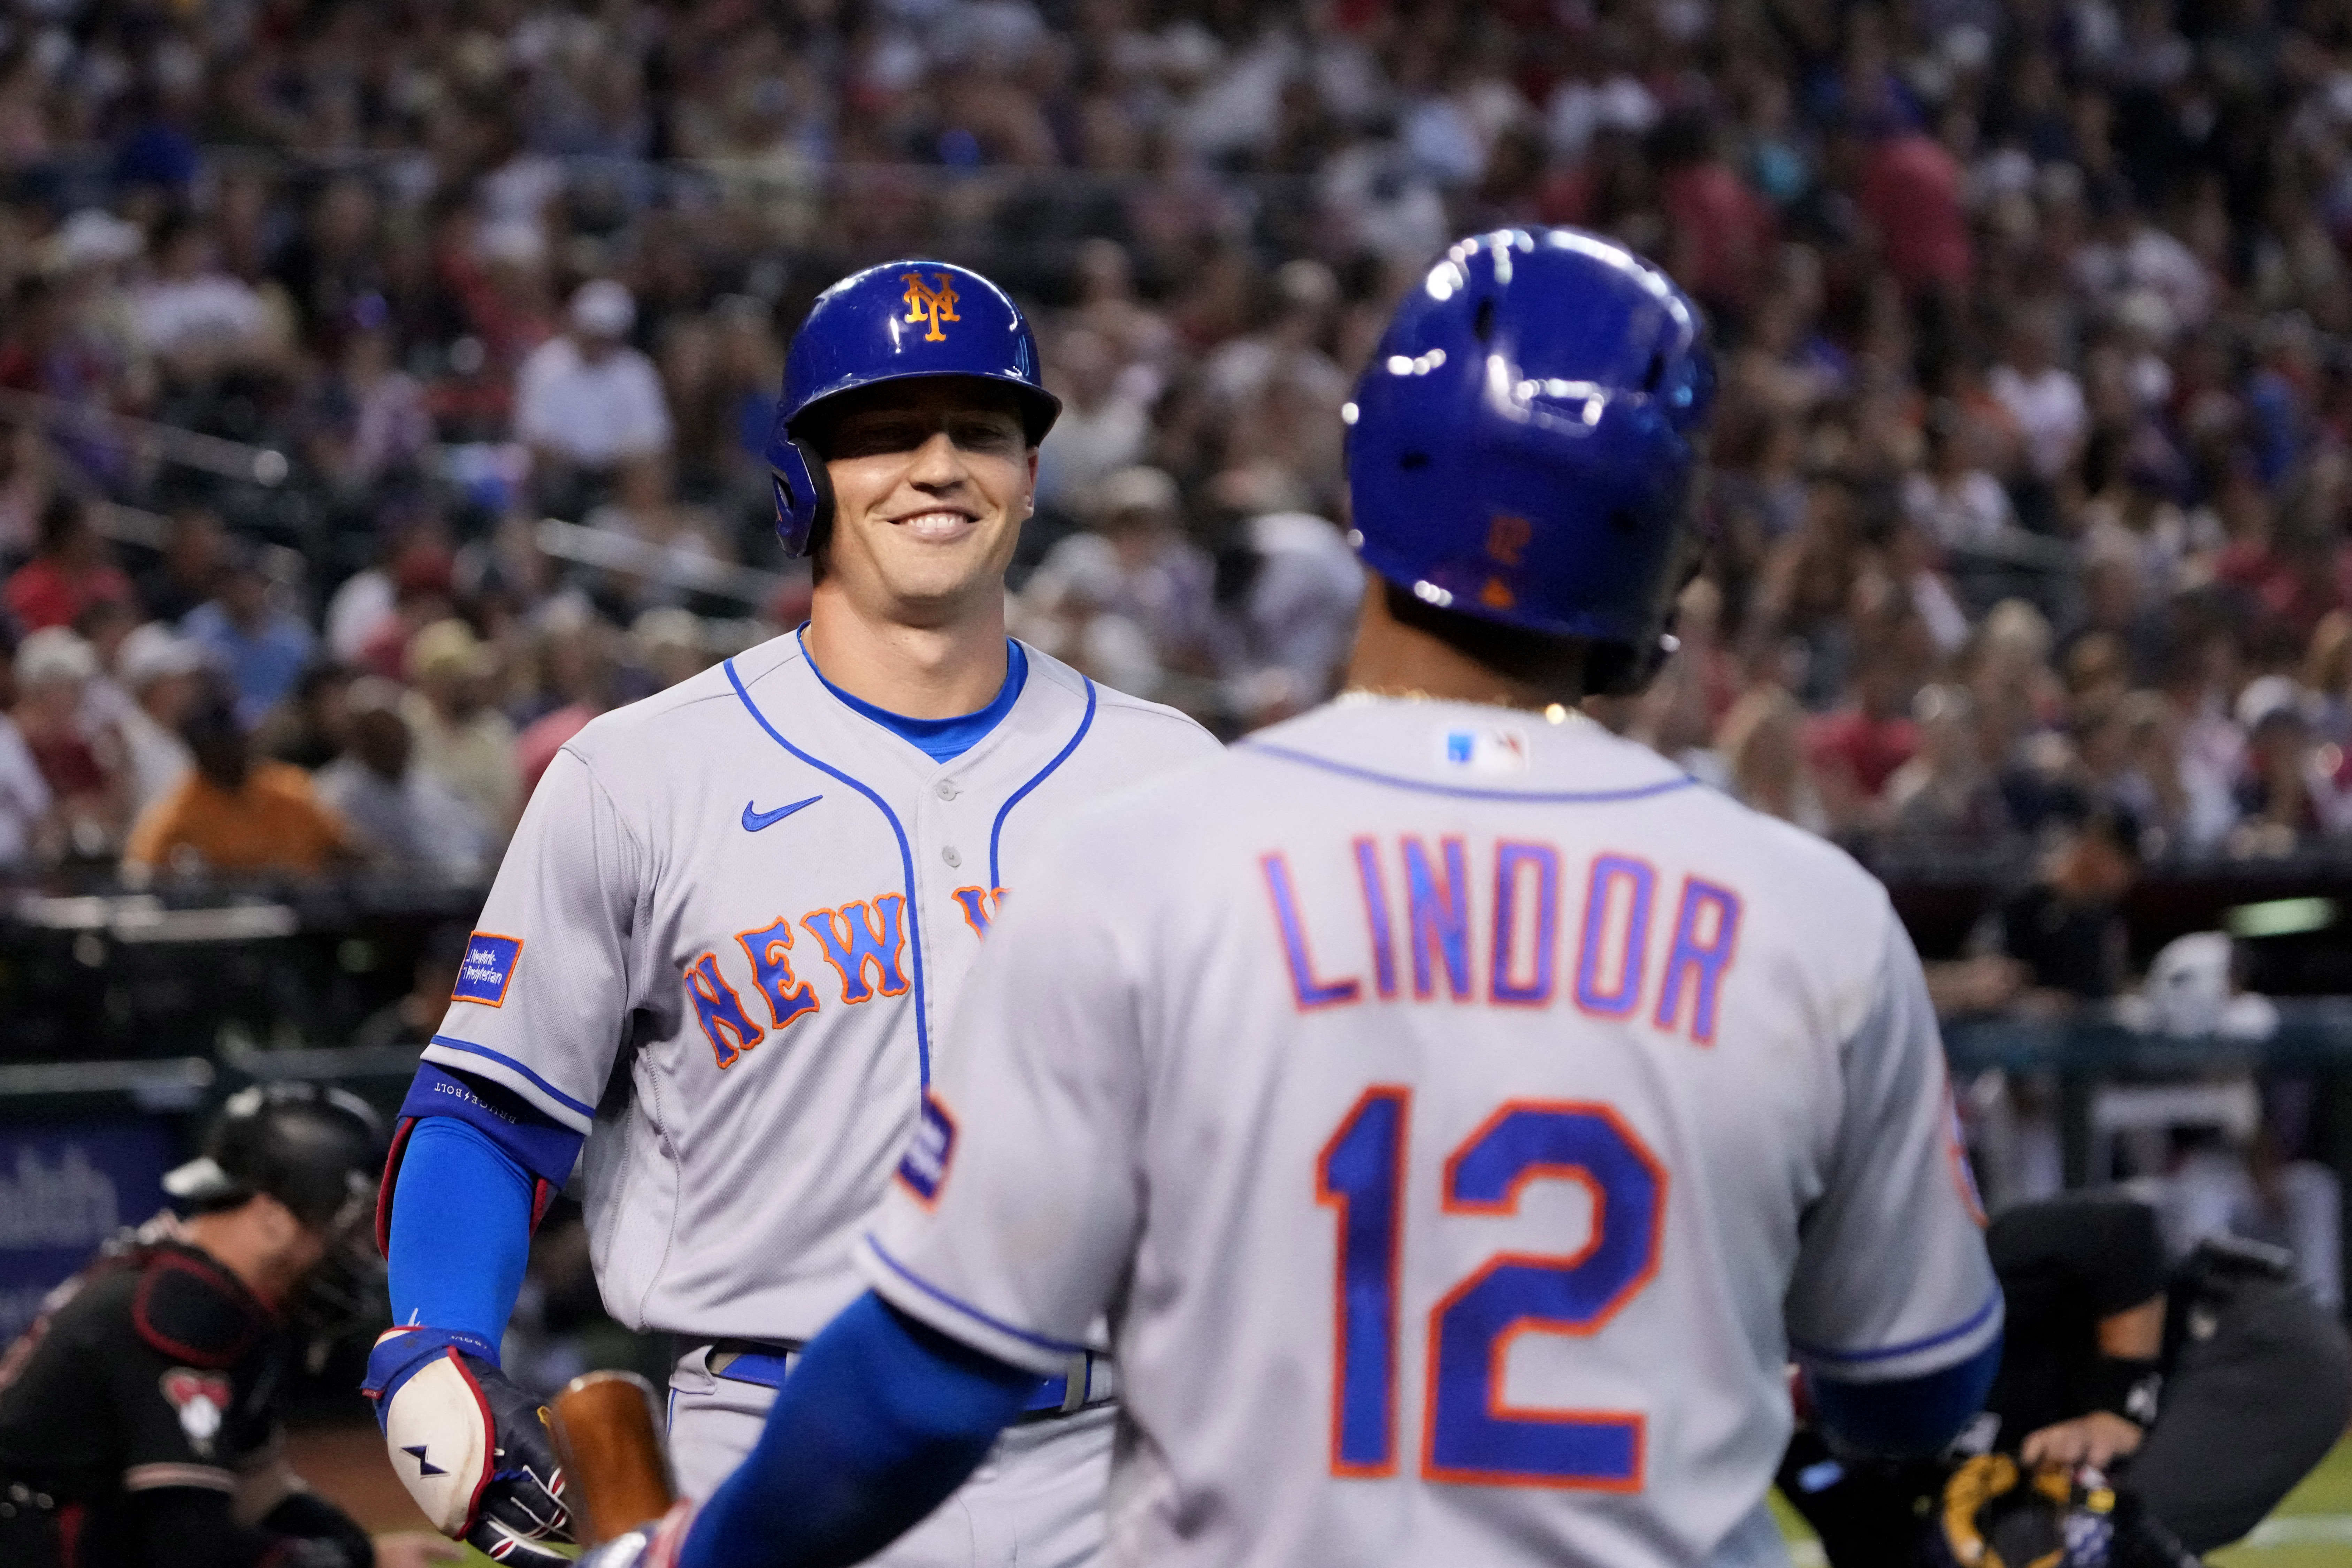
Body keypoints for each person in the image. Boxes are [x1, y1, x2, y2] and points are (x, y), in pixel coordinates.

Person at [597, 230, 2001, 1568]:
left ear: (1366, 484)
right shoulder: (1810, 914)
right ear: (1662, 547)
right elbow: (1913, 1391)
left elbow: (924, 1381)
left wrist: (699, 1547)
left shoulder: (1144, 863)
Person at [365, 258, 1222, 1568]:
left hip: (1114, 1460)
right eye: (884, 433)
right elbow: (494, 1104)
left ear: (1032, 476)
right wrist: (436, 1335)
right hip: (764, 1457)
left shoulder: (1167, 773)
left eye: (980, 432)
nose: (938, 466)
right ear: (805, 475)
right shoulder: (641, 774)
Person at [0, 1083, 455, 1568]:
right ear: (273, 1217)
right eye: (345, 1225)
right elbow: (191, 1547)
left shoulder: (209, 1291)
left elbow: (262, 1492)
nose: (356, 1250)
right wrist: (349, 1561)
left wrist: (362, 1553)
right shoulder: (183, 1305)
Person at [122, 696, 353, 878]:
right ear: (200, 751)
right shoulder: (176, 813)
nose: (236, 750)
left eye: (239, 739)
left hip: (308, 924)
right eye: (223, 743)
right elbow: (139, 872)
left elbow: (346, 851)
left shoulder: (289, 787)